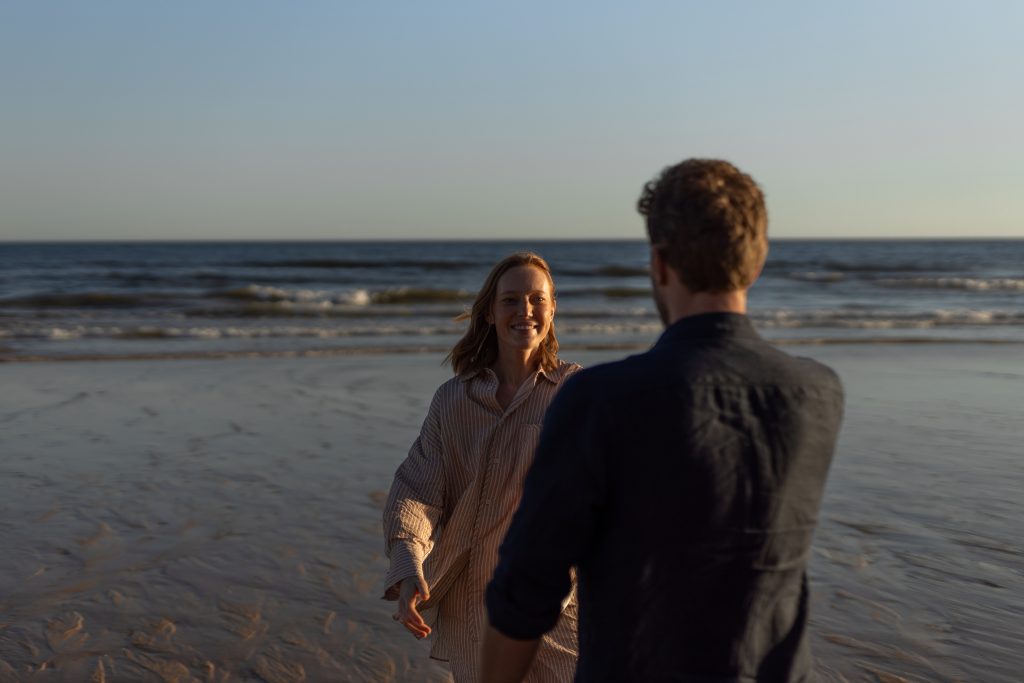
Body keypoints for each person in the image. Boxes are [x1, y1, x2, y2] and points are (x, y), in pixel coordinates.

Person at [483, 159, 845, 682]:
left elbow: (526, 590)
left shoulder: (598, 400)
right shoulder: (816, 394)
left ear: (657, 264)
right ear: (756, 262)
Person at [382, 252, 580, 682]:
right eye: (510, 300)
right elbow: (417, 490)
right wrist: (409, 564)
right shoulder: (453, 400)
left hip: (556, 610)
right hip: (474, 608)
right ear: (490, 312)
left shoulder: (577, 394)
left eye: (536, 299)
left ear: (552, 308)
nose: (524, 310)